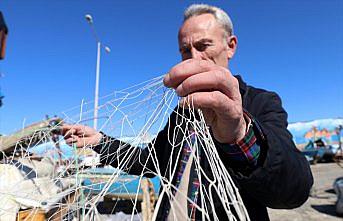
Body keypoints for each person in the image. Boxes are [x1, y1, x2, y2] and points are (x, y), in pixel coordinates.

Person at [62, 4, 313, 221]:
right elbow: (150, 161)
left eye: (204, 45)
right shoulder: (183, 112)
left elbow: (294, 191)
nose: (194, 58)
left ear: (230, 46)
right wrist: (99, 141)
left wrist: (239, 133)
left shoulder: (261, 102)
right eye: (185, 50)